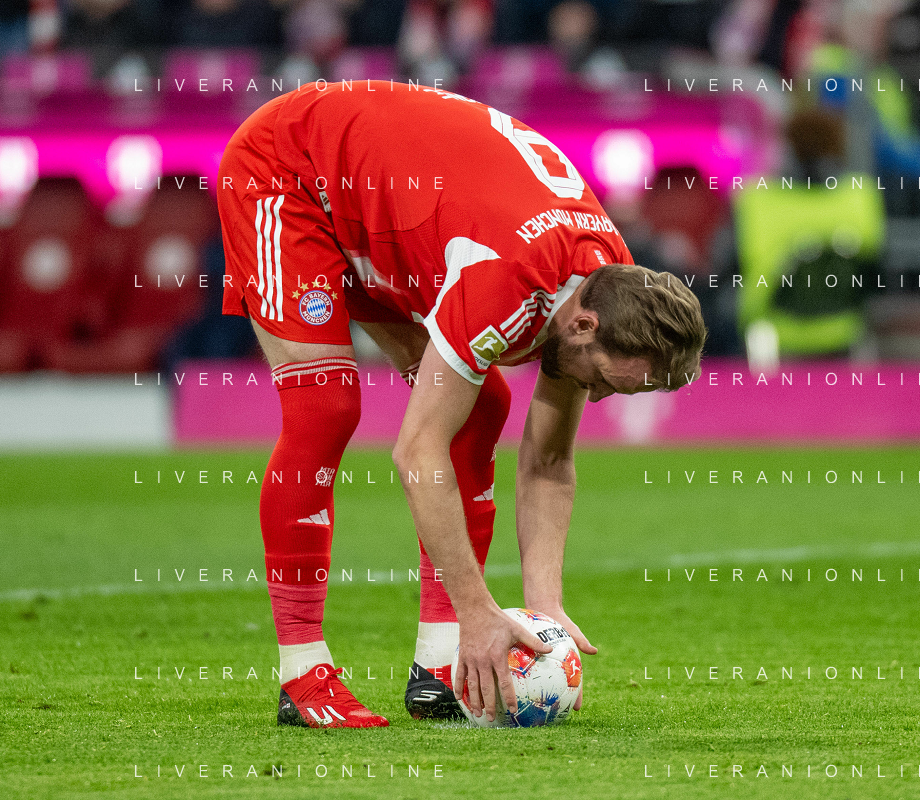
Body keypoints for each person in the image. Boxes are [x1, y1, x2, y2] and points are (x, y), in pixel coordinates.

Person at [217, 80, 706, 728]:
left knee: (476, 411)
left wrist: (544, 607)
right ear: (583, 326)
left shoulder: (606, 285)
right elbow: (416, 452)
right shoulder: (509, 281)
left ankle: (439, 666)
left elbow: (548, 461)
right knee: (325, 406)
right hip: (290, 169)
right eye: (606, 381)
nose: (595, 395)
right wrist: (480, 609)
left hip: (387, 209)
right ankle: (302, 673)